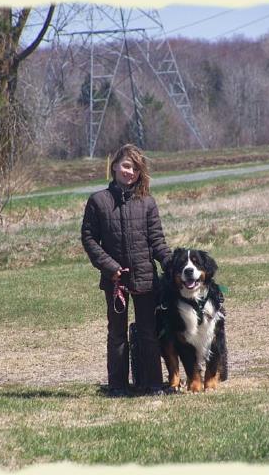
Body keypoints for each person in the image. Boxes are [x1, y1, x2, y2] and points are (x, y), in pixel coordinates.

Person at [81, 143, 171, 397]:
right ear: (114, 166)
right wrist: (110, 267)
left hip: (145, 277)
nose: (130, 172)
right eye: (127, 166)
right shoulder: (98, 201)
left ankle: (153, 384)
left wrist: (172, 264)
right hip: (115, 280)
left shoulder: (147, 203)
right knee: (117, 334)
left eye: (136, 169)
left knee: (148, 333)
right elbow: (88, 239)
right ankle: (118, 386)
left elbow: (157, 242)